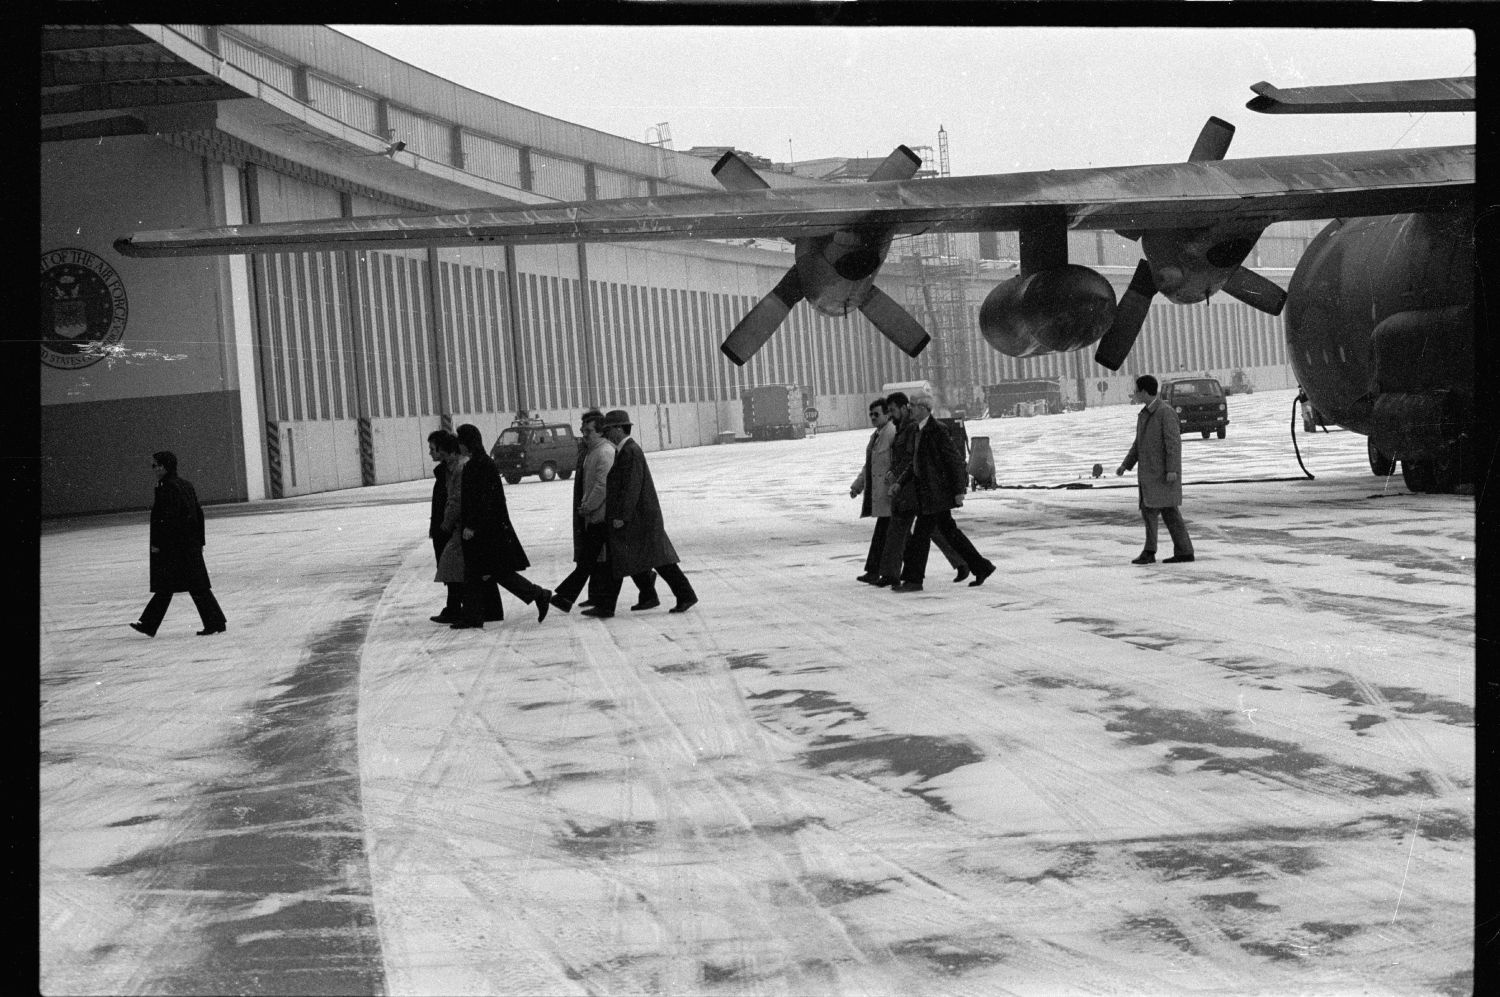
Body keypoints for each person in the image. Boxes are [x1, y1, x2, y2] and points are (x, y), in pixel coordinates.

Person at [588, 410, 698, 617]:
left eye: (609, 430)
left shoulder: (630, 451)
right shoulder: (626, 450)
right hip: (639, 518)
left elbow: (632, 487)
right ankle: (614, 604)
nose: (607, 435)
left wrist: (622, 516)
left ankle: (684, 595)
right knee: (632, 559)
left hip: (639, 519)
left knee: (657, 560)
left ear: (620, 429)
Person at [888, 393, 996, 592]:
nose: (909, 408)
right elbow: (915, 464)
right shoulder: (917, 430)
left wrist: (958, 491)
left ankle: (914, 580)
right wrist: (900, 483)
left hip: (937, 495)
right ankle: (981, 567)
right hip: (928, 495)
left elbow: (954, 461)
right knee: (950, 533)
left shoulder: (937, 430)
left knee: (921, 536)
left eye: (912, 405)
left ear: (923, 408)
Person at [452, 423, 553, 629]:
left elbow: (483, 500)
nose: (459, 446)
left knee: (480, 571)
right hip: (489, 529)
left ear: (466, 443)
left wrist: (472, 526)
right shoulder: (481, 463)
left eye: (460, 442)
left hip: (484, 531)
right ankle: (536, 595)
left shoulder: (478, 466)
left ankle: (475, 615)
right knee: (493, 571)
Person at [872, 393, 971, 586]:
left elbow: (912, 458)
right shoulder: (905, 427)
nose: (890, 414)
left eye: (892, 410)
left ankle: (899, 575)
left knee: (911, 530)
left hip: (915, 489)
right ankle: (961, 563)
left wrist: (897, 476)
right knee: (927, 530)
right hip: (910, 487)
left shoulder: (913, 428)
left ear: (903, 408)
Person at [129, 451, 228, 637]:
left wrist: (158, 544)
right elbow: (198, 514)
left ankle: (149, 624)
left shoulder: (167, 487)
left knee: (171, 587)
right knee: (191, 586)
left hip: (174, 547)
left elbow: (166, 520)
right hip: (188, 545)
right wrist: (200, 541)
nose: (154, 469)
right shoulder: (185, 485)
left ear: (163, 467)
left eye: (155, 465)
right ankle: (215, 622)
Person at [1116, 374, 1196, 564]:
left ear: (1144, 392)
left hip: (1162, 474)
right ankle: (1184, 551)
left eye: (1136, 391)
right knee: (1167, 512)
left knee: (1151, 511)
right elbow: (1138, 444)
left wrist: (1172, 470)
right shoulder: (1145, 414)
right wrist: (1125, 465)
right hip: (1150, 475)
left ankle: (1150, 551)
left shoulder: (1165, 413)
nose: (1135, 394)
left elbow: (1173, 444)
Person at [428, 429, 502, 624]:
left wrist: (447, 525)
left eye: (433, 448)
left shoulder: (463, 468)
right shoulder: (452, 469)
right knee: (475, 570)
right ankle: (473, 609)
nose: (430, 453)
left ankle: (469, 611)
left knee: (465, 569)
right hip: (460, 526)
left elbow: (458, 500)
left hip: (462, 527)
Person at [549, 410, 616, 613]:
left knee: (589, 560)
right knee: (595, 560)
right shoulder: (592, 452)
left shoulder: (604, 452)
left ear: (600, 432)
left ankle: (566, 597)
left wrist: (588, 506)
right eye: (583, 430)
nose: (584, 434)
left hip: (600, 516)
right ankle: (645, 583)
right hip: (594, 515)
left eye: (588, 431)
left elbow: (602, 485)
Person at [850, 396, 896, 583]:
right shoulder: (877, 436)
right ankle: (876, 571)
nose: (873, 418)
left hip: (890, 493)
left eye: (876, 414)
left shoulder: (892, 433)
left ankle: (883, 572)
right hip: (881, 494)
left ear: (887, 414)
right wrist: (858, 485)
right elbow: (869, 465)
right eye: (871, 414)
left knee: (893, 536)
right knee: (889, 535)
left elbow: (898, 461)